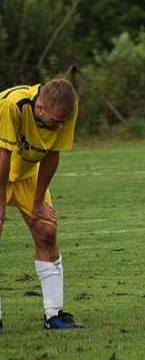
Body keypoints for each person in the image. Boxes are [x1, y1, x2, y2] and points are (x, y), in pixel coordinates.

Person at [0, 78, 84, 331]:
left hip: (26, 174)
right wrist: (0, 203)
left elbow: (52, 153)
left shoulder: (67, 110)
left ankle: (54, 314)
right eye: (55, 121)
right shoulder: (13, 105)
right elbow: (2, 155)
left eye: (63, 121)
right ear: (40, 109)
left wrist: (38, 203)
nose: (60, 125)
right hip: (0, 170)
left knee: (46, 230)